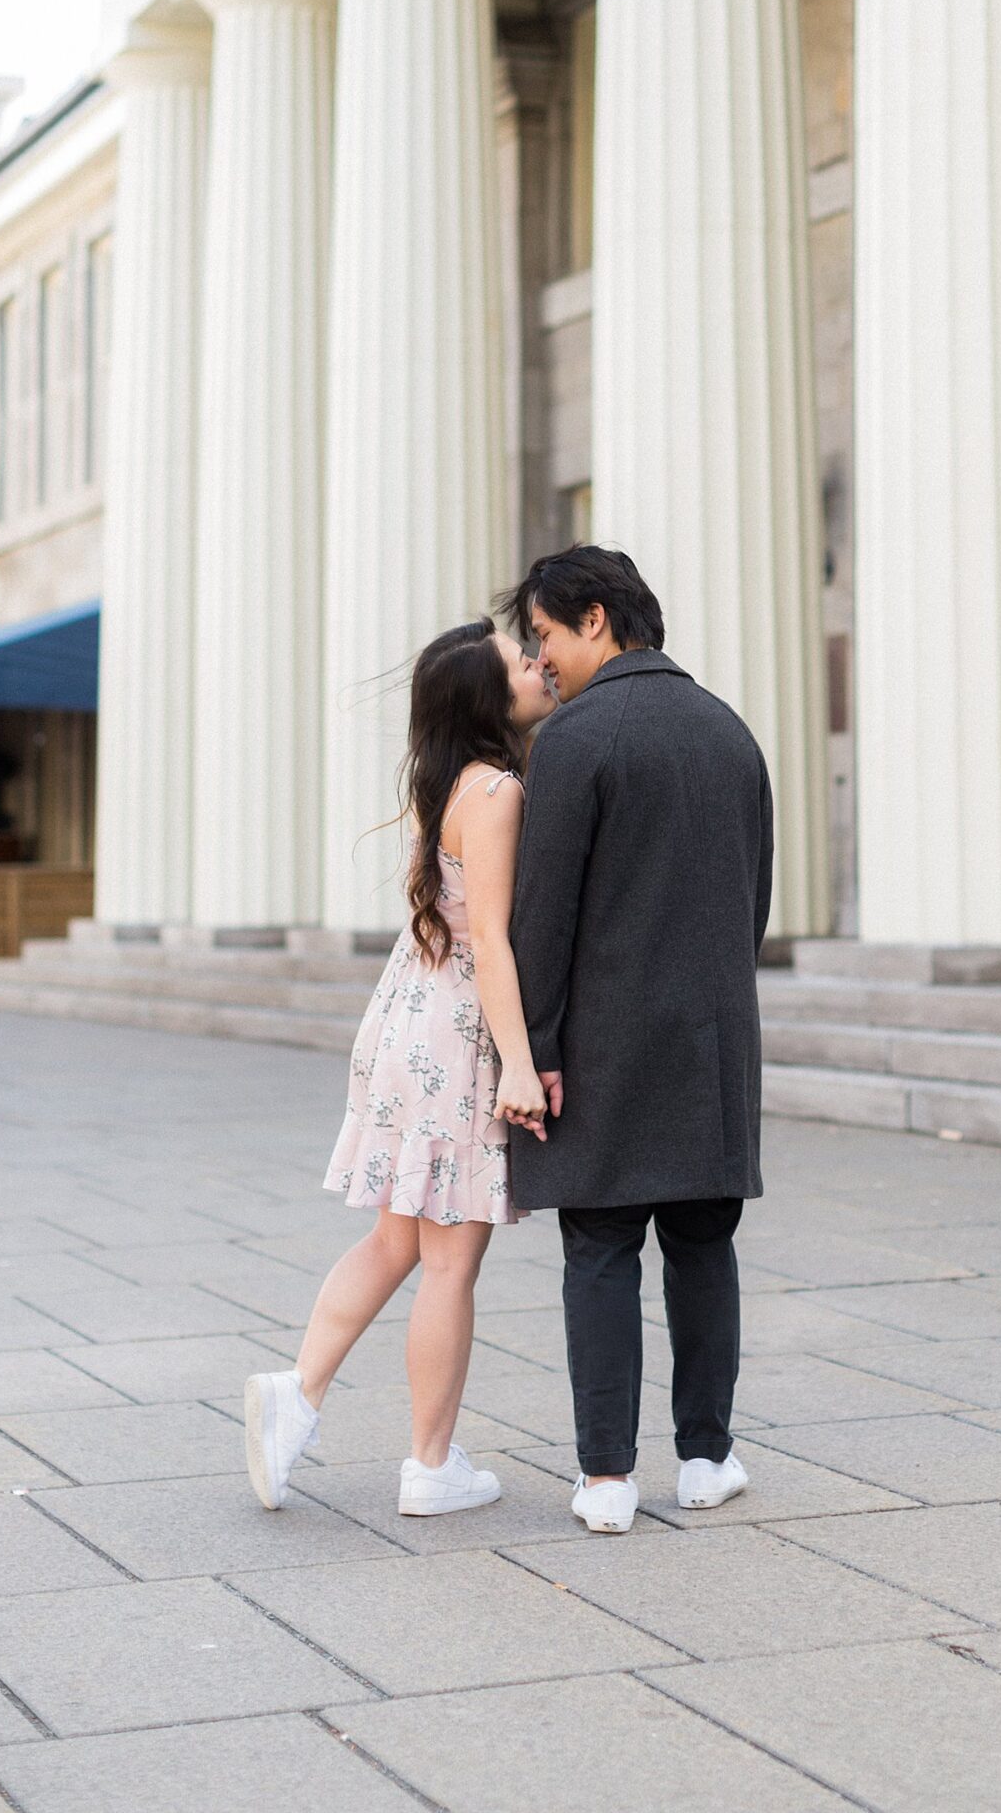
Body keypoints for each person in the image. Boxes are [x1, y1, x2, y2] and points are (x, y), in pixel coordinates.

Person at [243, 618, 555, 1517]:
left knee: (394, 1241)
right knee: (449, 1264)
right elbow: (493, 943)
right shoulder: (494, 790)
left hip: (409, 1019)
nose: (535, 665)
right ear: (487, 699)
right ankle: (428, 1464)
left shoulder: (446, 782)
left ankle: (296, 1397)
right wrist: (521, 1066)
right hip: (456, 1032)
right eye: (515, 661)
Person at [500, 545, 772, 1534]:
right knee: (705, 1246)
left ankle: (607, 1478)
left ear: (599, 619)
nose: (543, 660)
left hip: (604, 1041)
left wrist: (532, 1048)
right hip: (710, 1038)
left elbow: (544, 917)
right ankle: (706, 1457)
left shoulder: (574, 739)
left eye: (548, 635)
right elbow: (754, 902)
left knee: (603, 1246)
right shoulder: (731, 732)